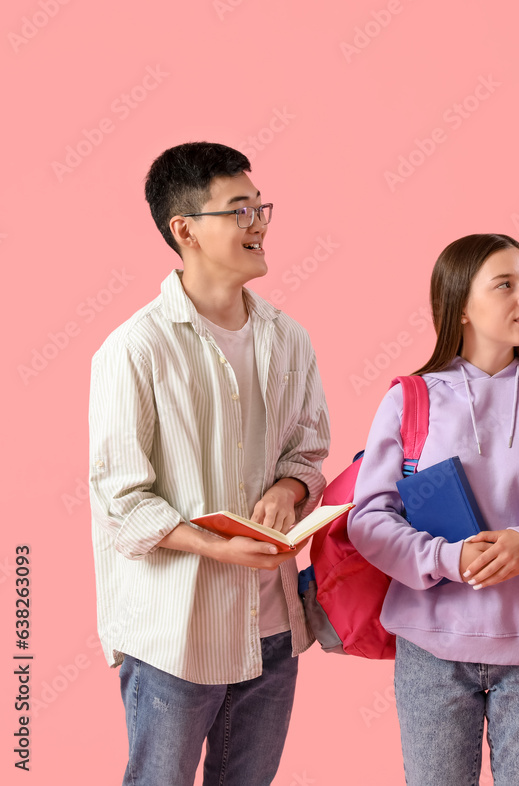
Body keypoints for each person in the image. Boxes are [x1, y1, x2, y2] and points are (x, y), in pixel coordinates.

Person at [89, 142, 329, 786]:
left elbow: (308, 453)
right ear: (185, 230)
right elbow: (122, 499)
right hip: (176, 632)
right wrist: (215, 548)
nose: (259, 223)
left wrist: (287, 488)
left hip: (272, 627)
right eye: (239, 210)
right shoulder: (133, 349)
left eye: (260, 207)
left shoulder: (289, 338)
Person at [348, 233, 519, 786]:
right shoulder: (409, 399)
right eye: (506, 284)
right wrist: (446, 557)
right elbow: (369, 519)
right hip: (432, 652)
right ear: (461, 305)